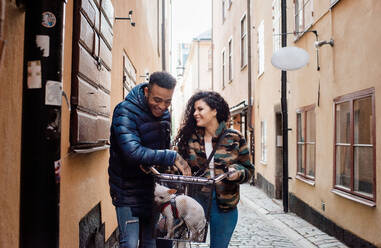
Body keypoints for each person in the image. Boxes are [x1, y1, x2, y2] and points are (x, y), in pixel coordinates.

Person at [108, 71, 191, 248]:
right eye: (157, 100)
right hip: (127, 191)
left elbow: (162, 150)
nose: (162, 106)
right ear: (146, 91)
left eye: (167, 101)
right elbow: (132, 152)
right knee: (129, 243)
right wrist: (172, 156)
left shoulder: (165, 116)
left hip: (153, 192)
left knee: (151, 242)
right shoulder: (125, 111)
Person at [175, 91, 254, 248]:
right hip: (194, 202)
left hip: (225, 204)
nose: (195, 113)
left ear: (214, 111)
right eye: (194, 110)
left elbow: (249, 170)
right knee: (181, 243)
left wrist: (237, 172)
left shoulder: (234, 138)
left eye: (200, 109)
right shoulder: (189, 138)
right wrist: (176, 162)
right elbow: (175, 166)